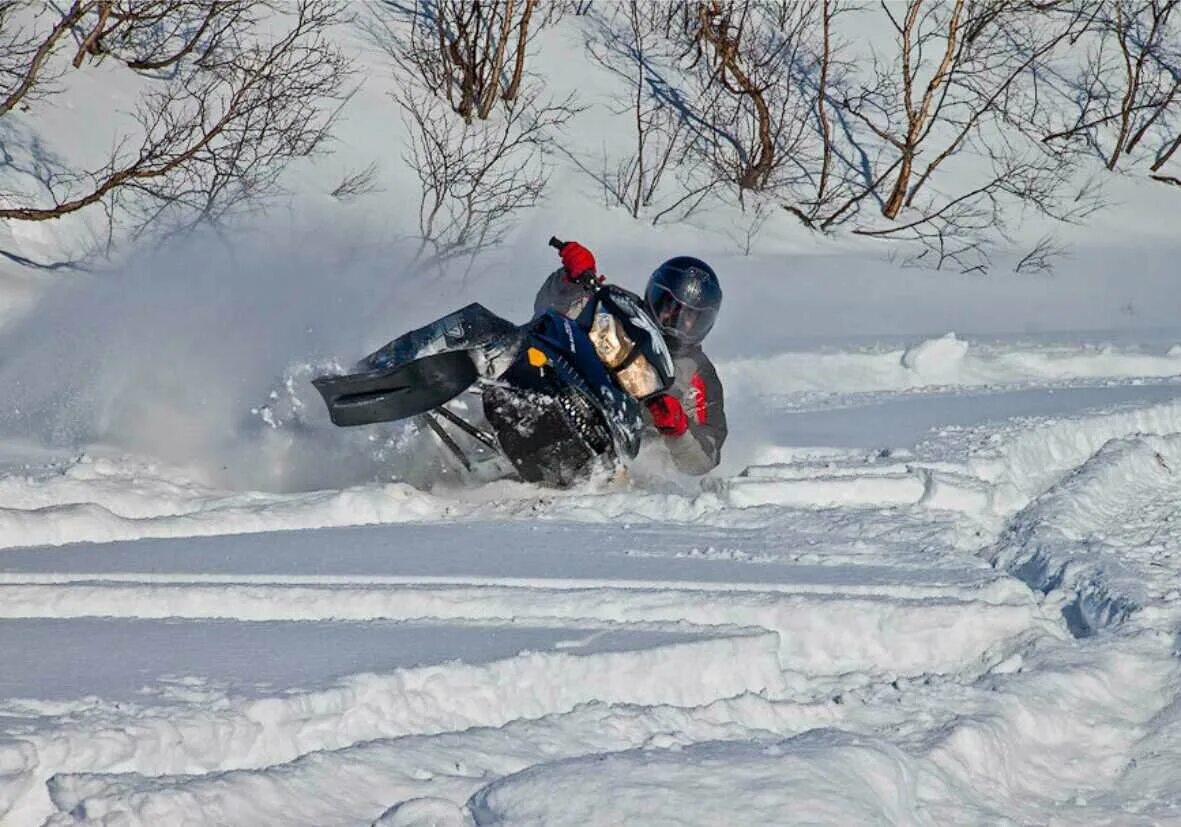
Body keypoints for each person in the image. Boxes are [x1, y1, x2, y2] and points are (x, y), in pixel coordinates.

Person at [533, 241, 727, 475]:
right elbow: (550, 310)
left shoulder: (699, 375)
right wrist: (570, 280)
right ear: (654, 295)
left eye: (689, 315)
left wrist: (679, 430)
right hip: (561, 388)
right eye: (669, 305)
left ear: (704, 322)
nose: (675, 318)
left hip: (623, 457)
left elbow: (706, 459)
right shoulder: (620, 309)